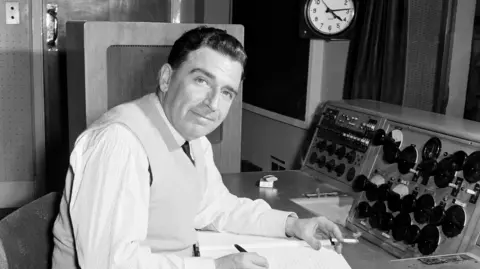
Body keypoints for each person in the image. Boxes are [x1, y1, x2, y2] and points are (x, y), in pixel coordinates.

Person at [51, 26, 344, 269]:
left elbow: (214, 206)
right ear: (166, 78)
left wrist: (291, 225)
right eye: (202, 80)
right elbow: (108, 263)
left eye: (227, 92)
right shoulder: (119, 144)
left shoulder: (192, 138)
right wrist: (215, 267)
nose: (212, 104)